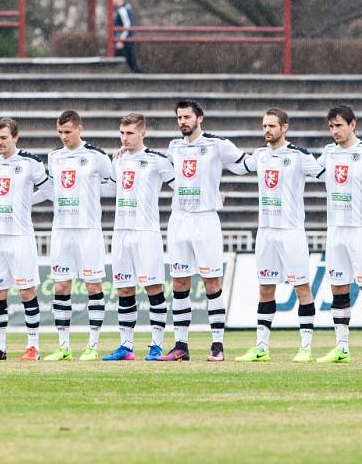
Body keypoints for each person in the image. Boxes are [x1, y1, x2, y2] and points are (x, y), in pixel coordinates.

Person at [159, 99, 250, 362]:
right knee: (179, 281)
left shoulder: (217, 144)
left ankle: (218, 346)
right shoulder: (173, 147)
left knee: (211, 282)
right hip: (179, 219)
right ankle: (180, 346)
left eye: (187, 117)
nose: (182, 122)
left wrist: (267, 156)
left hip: (206, 220)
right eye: (179, 118)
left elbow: (244, 165)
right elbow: (163, 172)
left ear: (200, 118)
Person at [235, 108, 325, 363]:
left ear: (285, 128)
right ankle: (261, 347)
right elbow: (239, 164)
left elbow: (326, 174)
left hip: (291, 231)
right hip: (266, 232)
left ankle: (305, 348)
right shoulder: (260, 156)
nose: (267, 130)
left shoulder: (298, 156)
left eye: (272, 126)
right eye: (264, 126)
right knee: (265, 289)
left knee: (302, 288)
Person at [32, 110, 114, 361]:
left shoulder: (97, 156)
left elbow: (113, 186)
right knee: (61, 286)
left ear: (80, 129)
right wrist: (25, 203)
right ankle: (64, 346)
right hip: (62, 230)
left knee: (93, 286)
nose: (64, 137)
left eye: (68, 132)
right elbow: (54, 191)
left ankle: (92, 344)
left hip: (88, 229)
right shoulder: (54, 157)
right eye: (60, 132)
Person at [316, 105, 362, 364]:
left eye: (339, 125)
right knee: (338, 288)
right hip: (336, 230)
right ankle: (341, 347)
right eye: (331, 126)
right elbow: (311, 172)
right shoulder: (327, 154)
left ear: (352, 124)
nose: (334, 131)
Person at [103, 113, 175, 361]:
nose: (125, 138)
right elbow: (111, 188)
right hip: (121, 232)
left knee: (153, 287)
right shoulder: (118, 160)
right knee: (124, 290)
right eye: (122, 133)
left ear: (143, 133)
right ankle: (126, 346)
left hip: (146, 232)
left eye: (130, 133)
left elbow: (181, 186)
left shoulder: (157, 160)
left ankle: (156, 344)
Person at [0, 118, 49, 361]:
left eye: (3, 138)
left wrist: (26, 200)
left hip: (20, 237)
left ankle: (33, 347)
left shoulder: (30, 163)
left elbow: (50, 191)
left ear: (15, 137)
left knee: (27, 292)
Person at [112, 0, 142, 73]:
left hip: (124, 42)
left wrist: (121, 40)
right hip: (126, 41)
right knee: (131, 62)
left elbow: (127, 27)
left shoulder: (122, 10)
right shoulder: (124, 8)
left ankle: (141, 77)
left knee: (129, 62)